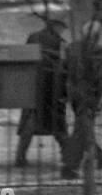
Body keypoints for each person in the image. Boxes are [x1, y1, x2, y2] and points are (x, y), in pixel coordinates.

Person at [15, 15, 69, 167]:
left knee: (30, 123)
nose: (62, 30)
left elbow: (24, 59)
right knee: (58, 125)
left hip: (34, 87)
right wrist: (65, 91)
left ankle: (20, 157)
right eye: (61, 27)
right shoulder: (60, 43)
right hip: (53, 88)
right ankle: (68, 157)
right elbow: (64, 68)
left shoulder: (33, 37)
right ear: (54, 26)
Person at [60, 19, 102, 178]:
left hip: (74, 93)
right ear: (96, 36)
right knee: (82, 130)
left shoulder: (71, 48)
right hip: (89, 93)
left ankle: (98, 155)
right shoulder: (98, 50)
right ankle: (69, 166)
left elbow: (64, 69)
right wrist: (97, 96)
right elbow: (96, 76)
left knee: (83, 126)